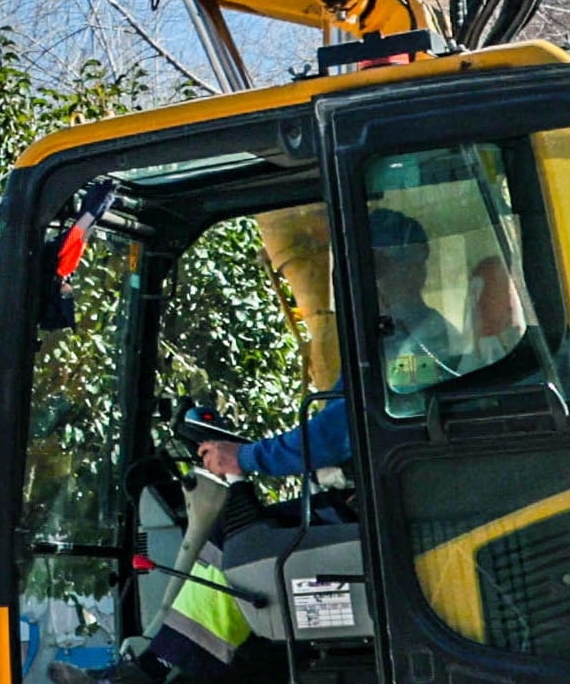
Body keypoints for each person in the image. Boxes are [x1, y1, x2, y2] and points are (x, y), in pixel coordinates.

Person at [184, 210, 535, 491]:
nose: (368, 282)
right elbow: (339, 407)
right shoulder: (384, 337)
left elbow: (345, 428)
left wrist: (247, 457)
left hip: (416, 488)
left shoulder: (428, 341)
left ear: (414, 268)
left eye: (376, 268)